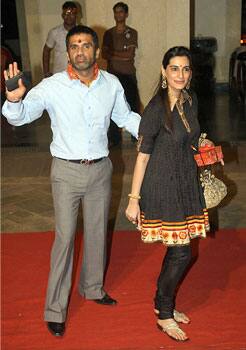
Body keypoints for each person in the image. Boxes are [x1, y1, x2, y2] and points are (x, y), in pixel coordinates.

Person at [3, 24, 140, 338]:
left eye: (86, 45)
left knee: (96, 232)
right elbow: (21, 115)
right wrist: (13, 100)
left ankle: (92, 288)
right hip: (66, 172)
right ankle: (55, 310)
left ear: (96, 50)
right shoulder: (52, 86)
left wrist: (154, 132)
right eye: (75, 45)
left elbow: (125, 117)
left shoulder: (111, 84)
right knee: (65, 239)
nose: (81, 51)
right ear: (68, 51)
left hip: (101, 169)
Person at [125, 46, 220, 342]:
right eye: (174, 68)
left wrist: (206, 149)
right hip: (162, 186)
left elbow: (191, 140)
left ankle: (162, 304)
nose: (180, 74)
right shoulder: (155, 109)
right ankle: (164, 313)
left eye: (185, 69)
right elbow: (142, 155)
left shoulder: (189, 101)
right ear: (164, 72)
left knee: (176, 249)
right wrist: (133, 199)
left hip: (186, 183)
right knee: (181, 252)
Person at [102, 2, 139, 146]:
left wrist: (113, 54)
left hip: (128, 75)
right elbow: (104, 54)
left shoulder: (132, 32)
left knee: (132, 104)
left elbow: (129, 56)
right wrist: (118, 55)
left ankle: (137, 137)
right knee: (110, 106)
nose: (118, 15)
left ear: (126, 14)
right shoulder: (108, 33)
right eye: (116, 12)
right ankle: (114, 139)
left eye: (121, 12)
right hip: (112, 76)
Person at [42, 1, 78, 77]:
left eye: (72, 14)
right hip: (59, 74)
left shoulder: (82, 32)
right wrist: (46, 72)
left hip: (78, 73)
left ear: (76, 15)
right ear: (62, 15)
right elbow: (46, 51)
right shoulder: (54, 32)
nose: (69, 17)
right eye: (66, 14)